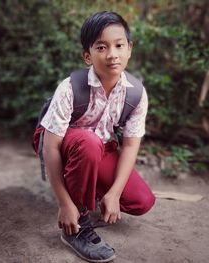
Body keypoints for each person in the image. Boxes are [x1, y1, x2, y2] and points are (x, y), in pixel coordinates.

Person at [33, 11, 155, 263]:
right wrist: (65, 204)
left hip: (100, 148)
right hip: (64, 144)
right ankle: (76, 226)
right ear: (87, 55)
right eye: (102, 47)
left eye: (119, 45)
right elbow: (50, 146)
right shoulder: (70, 88)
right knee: (88, 143)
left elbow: (130, 146)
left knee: (142, 201)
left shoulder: (136, 94)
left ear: (129, 49)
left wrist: (114, 193)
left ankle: (89, 189)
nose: (112, 54)